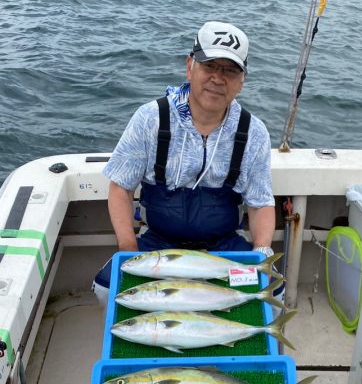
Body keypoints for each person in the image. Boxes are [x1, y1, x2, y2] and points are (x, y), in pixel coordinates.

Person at [93, 20, 277, 304]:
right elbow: (120, 188)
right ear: (190, 66)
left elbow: (260, 202)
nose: (218, 78)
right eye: (209, 66)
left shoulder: (253, 132)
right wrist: (128, 249)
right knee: (108, 289)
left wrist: (262, 250)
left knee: (271, 293)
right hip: (159, 243)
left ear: (242, 81)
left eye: (230, 71)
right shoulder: (150, 118)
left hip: (224, 244)